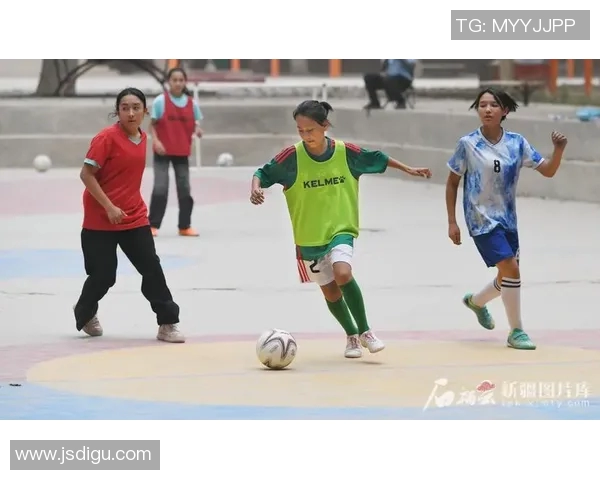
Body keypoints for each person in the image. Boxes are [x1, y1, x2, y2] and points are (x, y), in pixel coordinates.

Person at [250, 100, 432, 358]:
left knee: (343, 273)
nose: (306, 135)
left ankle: (366, 331)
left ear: (325, 125)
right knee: (331, 291)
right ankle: (352, 336)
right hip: (309, 237)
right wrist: (255, 188)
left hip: (341, 228)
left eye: (311, 130)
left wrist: (407, 169)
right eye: (300, 130)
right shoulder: (291, 157)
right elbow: (262, 173)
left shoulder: (345, 152)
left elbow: (376, 158)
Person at [445, 88, 567, 350]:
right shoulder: (468, 144)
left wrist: (558, 150)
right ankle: (516, 331)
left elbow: (548, 171)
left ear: (505, 111)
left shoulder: (517, 143)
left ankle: (476, 302)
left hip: (508, 219)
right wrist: (452, 221)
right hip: (480, 219)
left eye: (493, 105)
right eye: (482, 105)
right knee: (512, 269)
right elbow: (452, 182)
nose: (487, 109)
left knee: (506, 276)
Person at [74, 87, 185, 344]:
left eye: (136, 108)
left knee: (151, 269)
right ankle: (85, 312)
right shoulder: (106, 138)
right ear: (118, 112)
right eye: (125, 108)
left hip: (134, 217)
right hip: (100, 218)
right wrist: (109, 207)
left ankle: (167, 323)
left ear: (145, 111)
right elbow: (86, 175)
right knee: (103, 276)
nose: (131, 113)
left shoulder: (143, 137)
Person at [148, 67, 204, 237]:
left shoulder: (192, 103)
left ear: (185, 82)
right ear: (169, 82)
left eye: (181, 80)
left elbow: (196, 122)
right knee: (160, 187)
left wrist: (198, 129)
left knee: (184, 189)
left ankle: (184, 226)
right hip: (162, 152)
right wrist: (156, 141)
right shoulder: (160, 101)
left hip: (182, 152)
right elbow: (152, 124)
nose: (178, 83)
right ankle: (152, 225)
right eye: (175, 80)